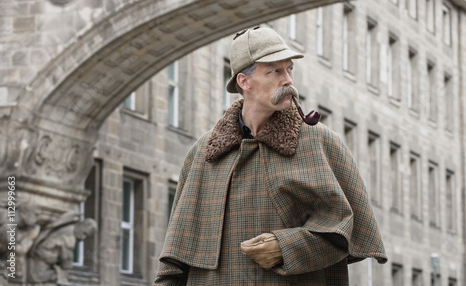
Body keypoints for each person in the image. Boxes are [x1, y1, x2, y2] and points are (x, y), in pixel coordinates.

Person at [154, 27, 387, 285]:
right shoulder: (202, 154)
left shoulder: (320, 142)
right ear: (244, 81)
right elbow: (175, 258)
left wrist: (286, 247)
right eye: (275, 71)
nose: (288, 80)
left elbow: (346, 229)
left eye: (289, 69)